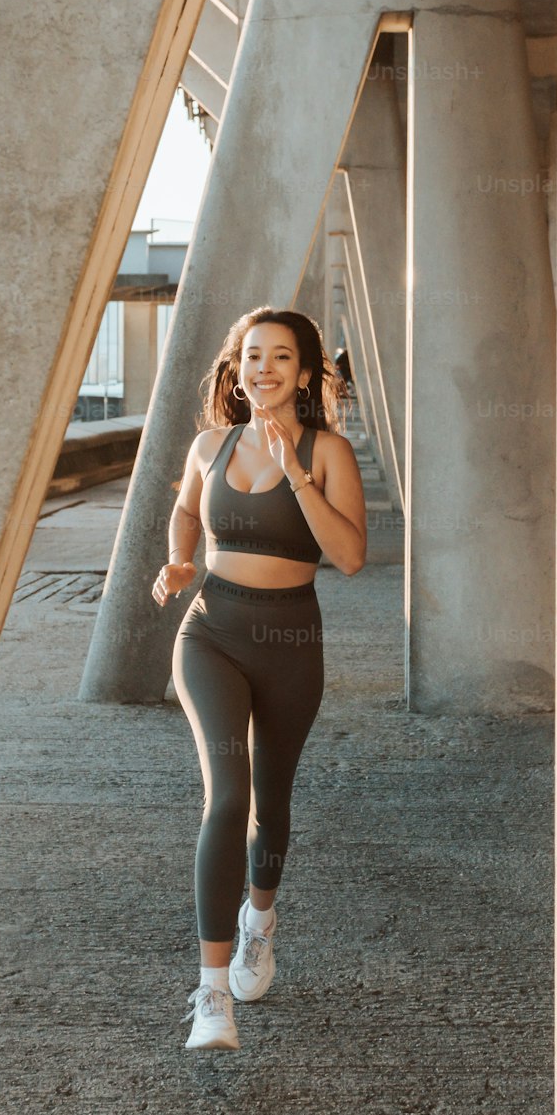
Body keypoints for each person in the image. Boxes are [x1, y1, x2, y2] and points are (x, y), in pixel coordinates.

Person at [151, 306, 367, 1050]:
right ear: (236, 369)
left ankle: (259, 922)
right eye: (251, 356)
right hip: (211, 632)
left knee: (270, 807)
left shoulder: (329, 451)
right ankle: (212, 996)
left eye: (280, 357)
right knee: (228, 795)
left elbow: (349, 557)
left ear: (303, 373)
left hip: (290, 639)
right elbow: (184, 512)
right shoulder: (210, 444)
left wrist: (298, 474)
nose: (263, 368)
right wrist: (179, 561)